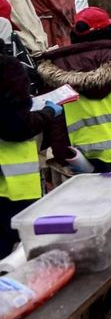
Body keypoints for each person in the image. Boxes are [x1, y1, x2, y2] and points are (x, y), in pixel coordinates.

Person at [36, 7, 111, 171]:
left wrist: (62, 156)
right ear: (107, 31)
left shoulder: (54, 68)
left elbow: (55, 120)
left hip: (82, 156)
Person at [0, 32, 61, 256]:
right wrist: (46, 113)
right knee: (21, 255)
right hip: (12, 186)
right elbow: (16, 127)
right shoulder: (7, 68)